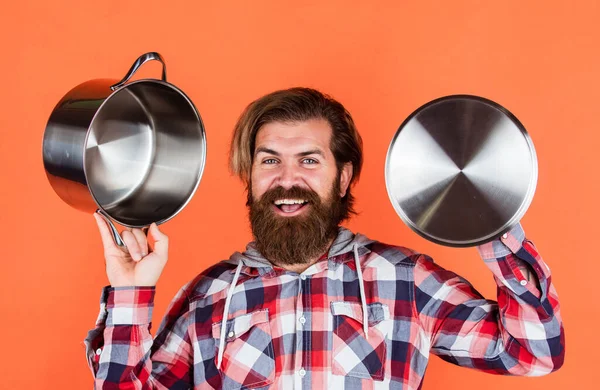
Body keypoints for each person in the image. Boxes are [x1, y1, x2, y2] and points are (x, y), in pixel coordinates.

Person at [85, 88, 564, 389]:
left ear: (343, 177)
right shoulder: (208, 297)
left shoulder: (406, 281)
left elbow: (534, 353)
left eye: (309, 160)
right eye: (269, 160)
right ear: (248, 176)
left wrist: (490, 218)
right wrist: (130, 291)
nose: (287, 178)